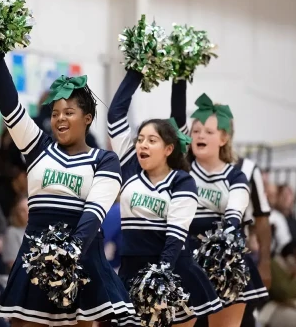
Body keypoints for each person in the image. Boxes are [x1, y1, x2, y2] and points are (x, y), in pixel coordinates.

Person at [0, 50, 134, 326]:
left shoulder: (104, 159)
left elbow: (95, 210)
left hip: (82, 259)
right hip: (34, 257)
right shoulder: (38, 148)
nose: (60, 119)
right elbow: (10, 107)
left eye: (69, 112)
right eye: (55, 113)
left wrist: (69, 254)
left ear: (87, 118)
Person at [108, 70, 222, 326]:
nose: (142, 145)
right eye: (139, 140)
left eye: (151, 140)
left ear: (169, 149)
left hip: (172, 272)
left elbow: (175, 235)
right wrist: (136, 70)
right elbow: (115, 114)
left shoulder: (182, 181)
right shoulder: (129, 165)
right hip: (130, 271)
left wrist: (160, 277)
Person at [171, 88, 268, 327]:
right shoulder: (183, 171)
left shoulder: (236, 176)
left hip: (222, 257)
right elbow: (176, 119)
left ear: (223, 138)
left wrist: (229, 234)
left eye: (208, 131)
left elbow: (235, 209)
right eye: (195, 131)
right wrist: (180, 77)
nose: (200, 135)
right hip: (185, 257)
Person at [235, 157, 271, 327]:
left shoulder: (246, 168)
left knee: (243, 318)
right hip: (195, 256)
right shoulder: (188, 164)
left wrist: (265, 263)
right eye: (196, 130)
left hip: (233, 259)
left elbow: (262, 219)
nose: (201, 135)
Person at [2, 195, 28, 270]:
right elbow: (13, 264)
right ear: (17, 214)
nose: (27, 213)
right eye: (23, 210)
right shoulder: (11, 232)